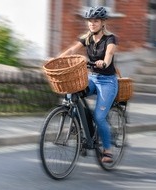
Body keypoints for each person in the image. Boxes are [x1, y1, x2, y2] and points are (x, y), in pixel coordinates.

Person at [58, 6, 118, 163]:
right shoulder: (88, 38)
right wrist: (57, 59)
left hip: (107, 82)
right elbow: (72, 50)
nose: (92, 23)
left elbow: (109, 54)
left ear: (103, 22)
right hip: (93, 78)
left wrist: (104, 63)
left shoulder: (110, 38)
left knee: (99, 117)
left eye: (96, 21)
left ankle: (107, 150)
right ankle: (81, 126)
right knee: (72, 93)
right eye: (90, 21)